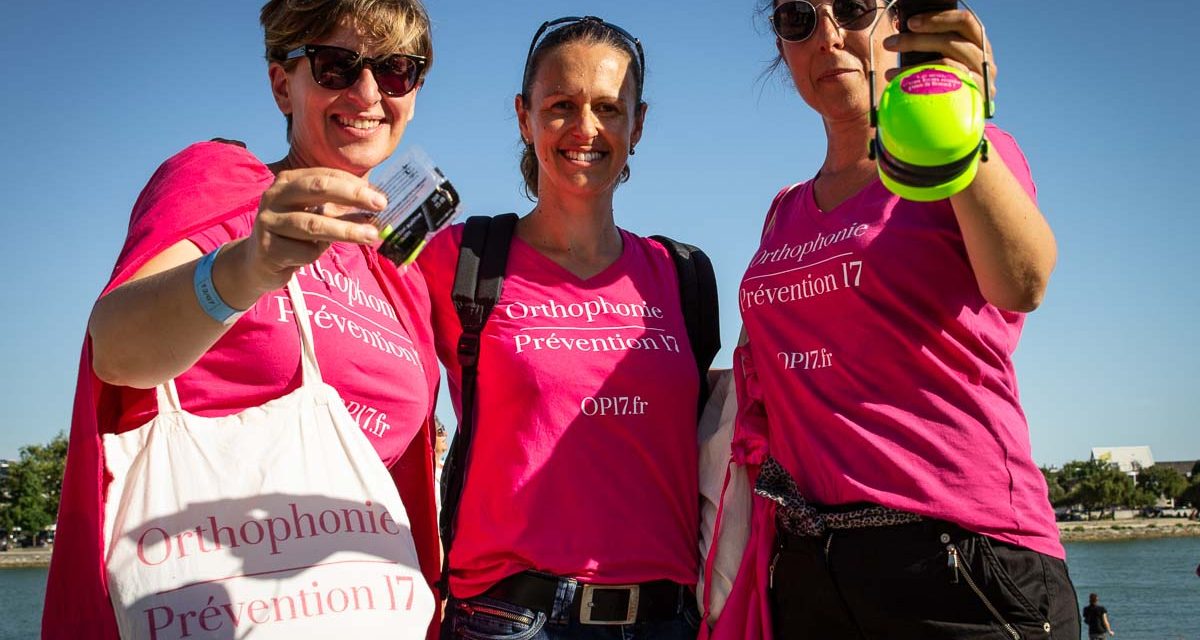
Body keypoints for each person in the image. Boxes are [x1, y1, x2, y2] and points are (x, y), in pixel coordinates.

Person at [42, 1, 442, 636]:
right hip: (209, 603)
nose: (368, 93)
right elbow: (114, 350)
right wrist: (244, 270)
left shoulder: (398, 272)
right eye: (337, 66)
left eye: (396, 70)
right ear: (283, 83)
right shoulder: (222, 183)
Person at [732, 1, 1080, 638]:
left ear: (901, 21)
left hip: (959, 560)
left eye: (855, 8)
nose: (830, 35)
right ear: (782, 48)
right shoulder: (783, 211)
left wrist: (955, 124)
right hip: (812, 564)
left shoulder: (970, 154)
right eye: (798, 20)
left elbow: (1023, 283)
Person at [418, 16, 708, 640]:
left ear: (639, 123)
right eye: (560, 106)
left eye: (609, 107)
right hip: (511, 619)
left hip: (670, 621)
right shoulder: (461, 260)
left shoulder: (682, 275)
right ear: (524, 117)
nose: (586, 129)